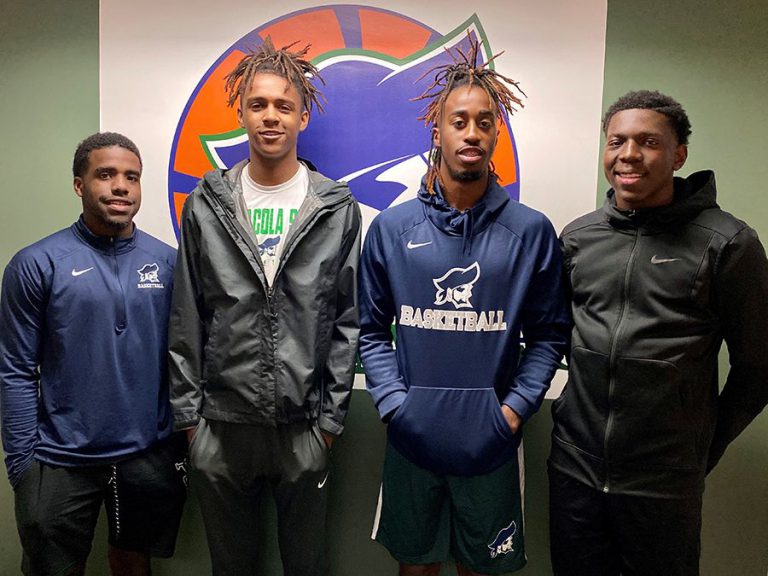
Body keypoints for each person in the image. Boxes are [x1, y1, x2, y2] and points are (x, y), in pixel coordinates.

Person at [358, 37, 570, 576]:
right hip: (412, 439)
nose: (471, 132)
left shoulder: (530, 232)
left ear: (497, 134)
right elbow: (371, 331)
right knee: (416, 567)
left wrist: (513, 411)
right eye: (459, 121)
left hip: (492, 442)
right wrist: (394, 405)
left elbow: (549, 335)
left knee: (482, 568)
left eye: (484, 122)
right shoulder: (391, 229)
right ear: (438, 131)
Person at [549, 90, 768, 576]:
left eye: (647, 142)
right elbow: (557, 336)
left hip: (664, 483)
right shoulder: (579, 238)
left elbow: (759, 367)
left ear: (679, 155)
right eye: (616, 141)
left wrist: (701, 446)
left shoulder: (728, 244)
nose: (628, 154)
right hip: (575, 473)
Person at [168, 37, 361, 576]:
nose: (270, 117)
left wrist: (328, 423)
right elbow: (187, 314)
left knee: (307, 565)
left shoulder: (336, 206)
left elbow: (347, 321)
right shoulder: (207, 203)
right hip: (221, 430)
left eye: (283, 105)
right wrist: (192, 424)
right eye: (258, 104)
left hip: (304, 429)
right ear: (242, 113)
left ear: (302, 115)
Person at [0, 132, 187, 576]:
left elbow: (186, 361)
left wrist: (179, 441)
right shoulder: (37, 263)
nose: (121, 186)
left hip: (147, 452)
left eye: (132, 177)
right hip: (61, 458)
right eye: (106, 175)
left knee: (133, 564)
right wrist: (23, 465)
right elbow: (15, 370)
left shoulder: (168, 263)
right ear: (79, 185)